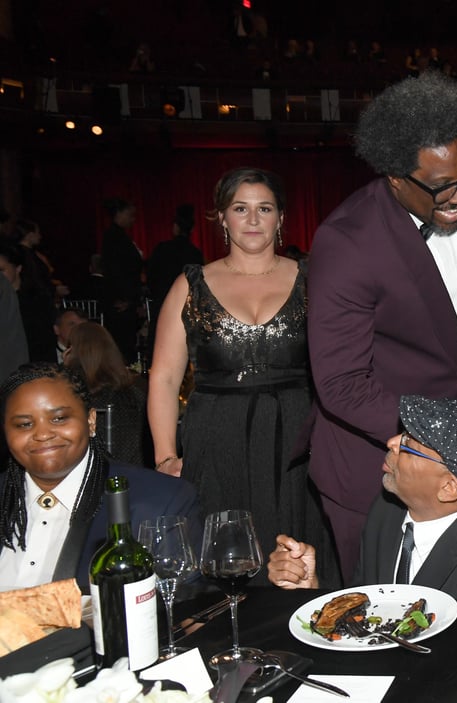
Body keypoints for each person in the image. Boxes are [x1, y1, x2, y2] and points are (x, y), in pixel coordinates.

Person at [307, 71, 457, 581]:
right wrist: (443, 442)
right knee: (378, 623)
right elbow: (342, 385)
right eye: (441, 187)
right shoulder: (347, 242)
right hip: (378, 471)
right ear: (394, 176)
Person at [148, 167, 339, 588]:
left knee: (300, 548)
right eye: (240, 208)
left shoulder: (314, 279)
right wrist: (165, 456)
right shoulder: (190, 284)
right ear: (221, 217)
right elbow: (163, 377)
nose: (253, 220)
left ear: (281, 218)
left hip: (297, 438)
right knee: (223, 554)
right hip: (217, 438)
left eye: (264, 208)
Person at [269, 396, 457, 605]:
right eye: (403, 432)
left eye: (408, 444)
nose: (391, 442)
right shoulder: (389, 509)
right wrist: (312, 589)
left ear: (449, 488)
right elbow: (370, 615)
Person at [0, 363, 201, 592]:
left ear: (91, 420)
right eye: (24, 424)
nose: (42, 434)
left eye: (59, 419)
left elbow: (185, 612)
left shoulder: (160, 504)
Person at [63, 322, 146, 466]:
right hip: (136, 472)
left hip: (91, 472)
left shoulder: (75, 396)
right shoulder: (134, 392)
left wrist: (64, 371)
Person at [147, 204, 204, 332]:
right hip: (187, 310)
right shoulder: (195, 254)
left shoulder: (162, 249)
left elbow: (151, 277)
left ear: (175, 227)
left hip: (163, 305)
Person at [100, 197, 143, 363]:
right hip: (121, 301)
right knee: (123, 345)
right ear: (119, 214)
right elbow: (116, 271)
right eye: (130, 215)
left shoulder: (116, 236)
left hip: (123, 299)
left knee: (124, 344)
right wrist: (126, 299)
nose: (133, 219)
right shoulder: (115, 237)